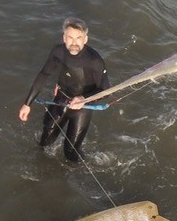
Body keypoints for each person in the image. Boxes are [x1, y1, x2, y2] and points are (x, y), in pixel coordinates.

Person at [19, 18, 110, 162]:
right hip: (61, 99)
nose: (74, 42)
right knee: (45, 141)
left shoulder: (95, 61)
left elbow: (105, 90)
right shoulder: (58, 52)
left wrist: (83, 98)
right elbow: (44, 74)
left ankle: (77, 174)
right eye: (70, 37)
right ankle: (39, 165)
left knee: (70, 152)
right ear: (64, 38)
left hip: (83, 107)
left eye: (79, 38)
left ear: (85, 39)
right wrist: (27, 104)